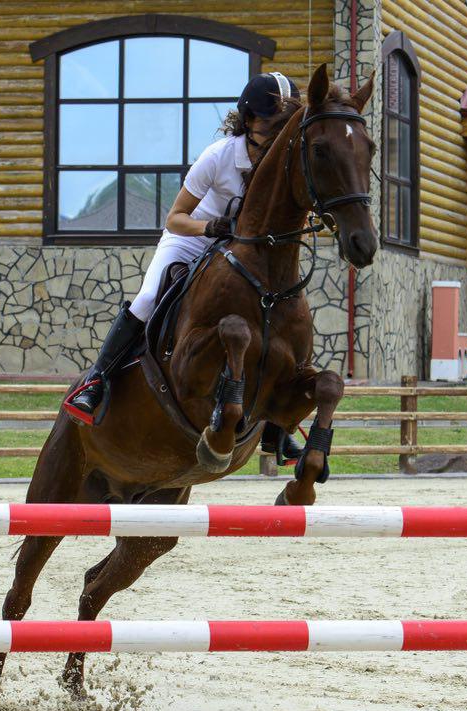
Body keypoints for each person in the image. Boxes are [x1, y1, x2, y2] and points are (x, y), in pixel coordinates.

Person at [63, 72, 305, 464]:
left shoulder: (284, 160)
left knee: (277, 315)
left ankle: (276, 429)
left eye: (284, 123)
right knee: (146, 298)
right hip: (193, 239)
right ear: (247, 118)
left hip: (245, 251)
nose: (277, 130)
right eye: (269, 121)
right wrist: (210, 227)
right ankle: (96, 381)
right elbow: (175, 218)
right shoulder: (220, 156)